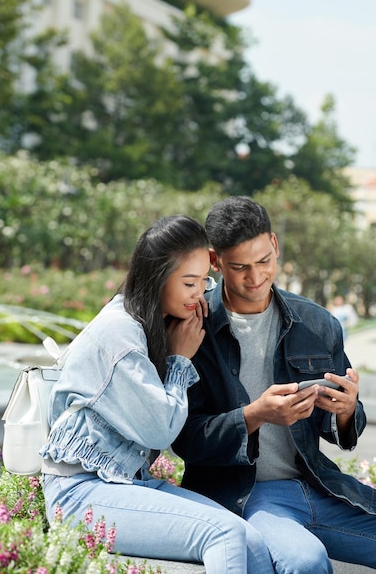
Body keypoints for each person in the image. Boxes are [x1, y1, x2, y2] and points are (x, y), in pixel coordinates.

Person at [40, 214, 274, 574]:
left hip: (122, 482)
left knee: (250, 540)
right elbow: (160, 429)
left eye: (203, 281)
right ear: (158, 278)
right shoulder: (120, 332)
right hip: (79, 491)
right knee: (224, 534)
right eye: (189, 283)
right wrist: (179, 361)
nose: (200, 294)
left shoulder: (146, 321)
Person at [173, 197, 376, 573]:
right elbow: (184, 439)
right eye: (240, 267)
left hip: (318, 484)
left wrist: (346, 411)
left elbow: (345, 432)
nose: (255, 277)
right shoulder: (192, 329)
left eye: (264, 261)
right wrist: (254, 416)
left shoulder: (318, 324)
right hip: (242, 495)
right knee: (305, 560)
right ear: (215, 262)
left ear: (275, 245)